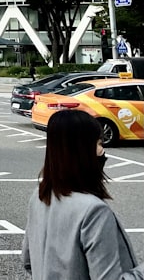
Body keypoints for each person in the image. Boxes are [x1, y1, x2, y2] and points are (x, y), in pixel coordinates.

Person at [22, 109, 144, 279]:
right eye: (99, 143)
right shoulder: (94, 211)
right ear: (82, 151)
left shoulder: (39, 196)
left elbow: (28, 261)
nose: (102, 151)